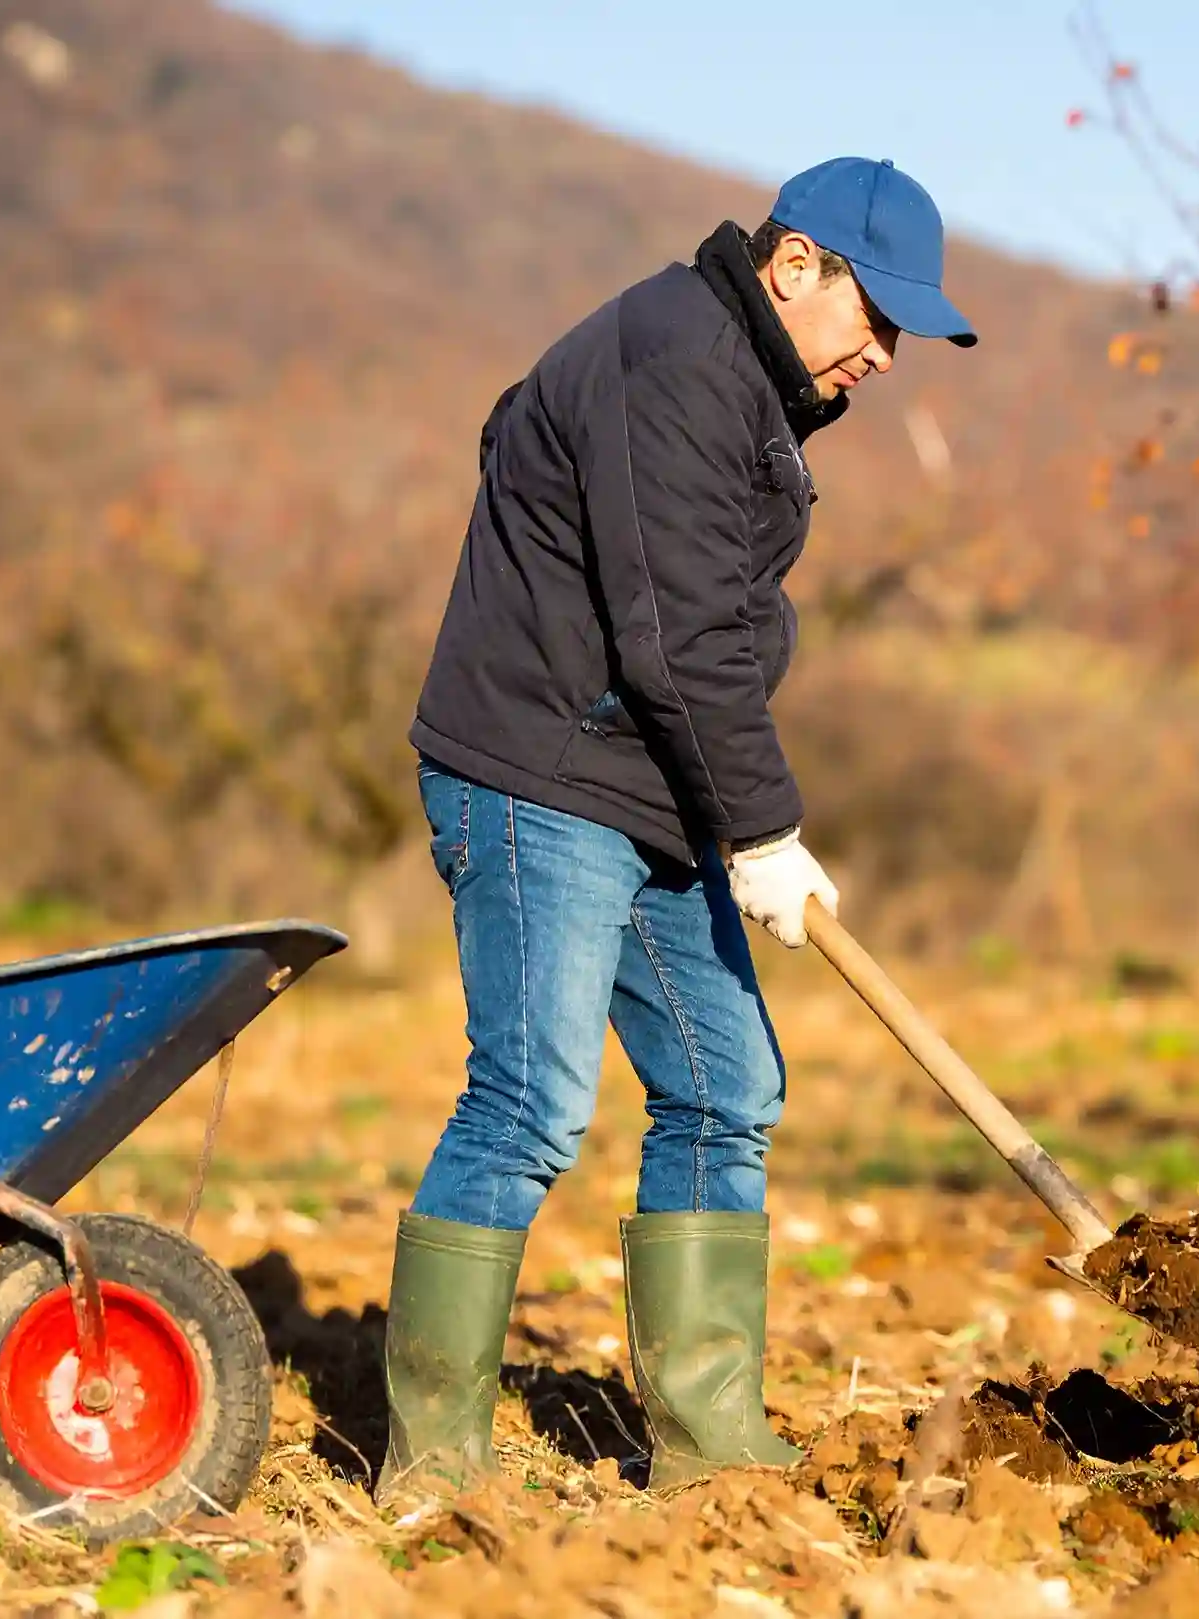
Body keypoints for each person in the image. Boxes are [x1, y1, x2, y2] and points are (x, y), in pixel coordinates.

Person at [377, 157, 978, 1502]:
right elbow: (681, 639)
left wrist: (733, 802)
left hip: (647, 784)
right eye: (878, 316)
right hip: (539, 777)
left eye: (904, 334)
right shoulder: (680, 362)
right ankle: (433, 1467)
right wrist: (765, 832)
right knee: (530, 1101)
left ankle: (709, 1451)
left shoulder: (744, 382)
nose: (887, 355)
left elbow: (692, 605)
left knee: (726, 1088)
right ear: (795, 263)